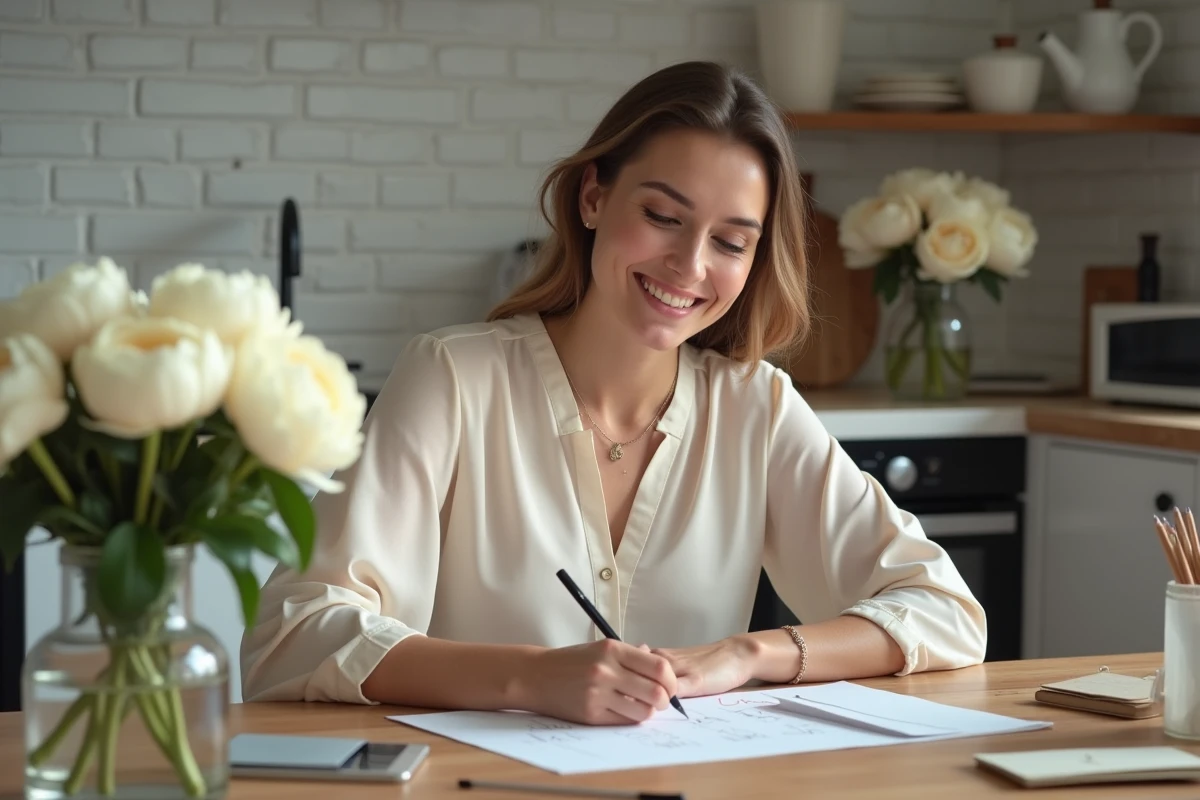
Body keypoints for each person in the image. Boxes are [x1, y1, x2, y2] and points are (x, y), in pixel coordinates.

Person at [240, 60, 986, 725]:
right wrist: (527, 677)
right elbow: (294, 634)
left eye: (730, 241)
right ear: (593, 198)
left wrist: (748, 655)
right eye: (662, 216)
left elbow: (945, 612)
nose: (689, 265)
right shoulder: (452, 378)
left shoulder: (755, 407)